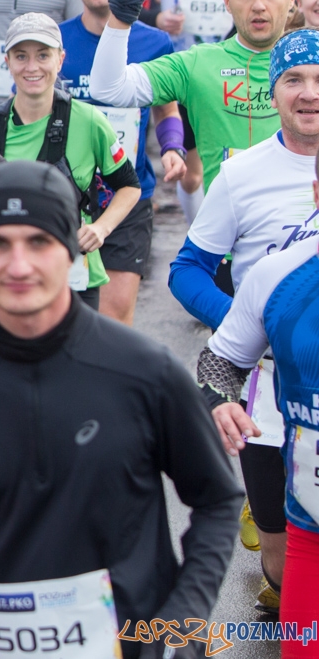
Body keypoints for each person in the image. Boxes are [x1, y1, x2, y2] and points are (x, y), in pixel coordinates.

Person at [0, 160, 242, 659]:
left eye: (38, 242)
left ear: (70, 250)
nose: (19, 266)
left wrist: (181, 630)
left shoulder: (146, 372)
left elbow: (217, 501)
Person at [196, 140, 319, 638]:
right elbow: (219, 362)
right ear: (316, 190)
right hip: (310, 521)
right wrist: (221, 404)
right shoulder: (277, 275)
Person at [91, 0, 292, 204]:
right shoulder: (199, 63)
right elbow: (108, 87)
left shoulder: (310, 60)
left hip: (303, 235)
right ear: (226, 2)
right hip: (228, 239)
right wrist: (127, 4)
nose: (258, 5)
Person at [0, 13, 141, 309]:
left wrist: (101, 228)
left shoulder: (89, 121)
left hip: (73, 276)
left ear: (60, 60)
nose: (32, 67)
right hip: (5, 276)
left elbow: (129, 186)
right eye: (21, 56)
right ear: (7, 61)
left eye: (43, 55)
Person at [58, 0, 182, 325]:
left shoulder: (154, 42)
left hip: (128, 193)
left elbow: (166, 107)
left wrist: (172, 147)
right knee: (65, 315)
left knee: (112, 316)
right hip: (66, 195)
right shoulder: (53, 41)